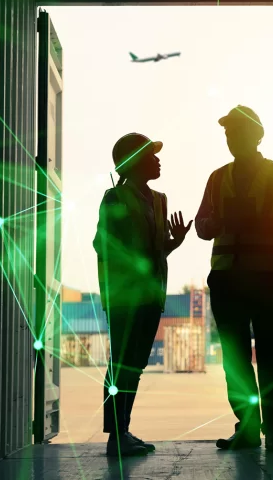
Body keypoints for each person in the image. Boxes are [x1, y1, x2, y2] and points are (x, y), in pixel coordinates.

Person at [195, 105, 273, 452]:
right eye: (228, 133)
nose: (232, 139)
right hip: (227, 278)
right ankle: (247, 427)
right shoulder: (217, 178)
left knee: (270, 355)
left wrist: (260, 216)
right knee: (235, 358)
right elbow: (202, 227)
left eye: (239, 132)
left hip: (263, 277)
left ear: (257, 135)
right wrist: (218, 222)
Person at [93, 133, 192, 457]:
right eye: (151, 155)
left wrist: (172, 244)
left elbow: (156, 249)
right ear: (134, 161)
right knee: (121, 363)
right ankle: (115, 435)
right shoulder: (115, 198)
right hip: (125, 297)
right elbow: (103, 244)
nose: (158, 160)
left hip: (152, 295)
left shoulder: (161, 199)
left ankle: (123, 430)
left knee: (134, 364)